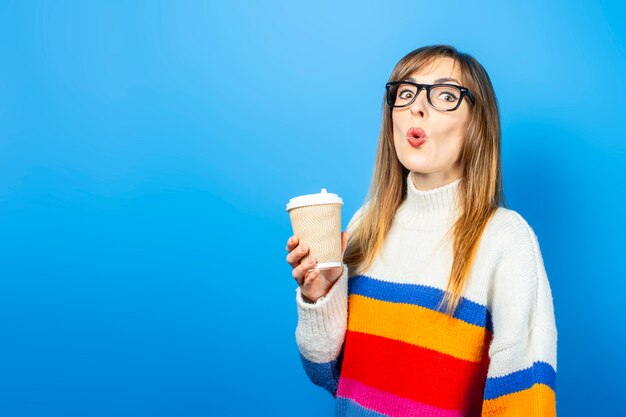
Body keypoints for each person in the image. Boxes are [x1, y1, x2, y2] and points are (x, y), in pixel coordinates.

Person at [285, 44, 557, 417]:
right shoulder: (366, 223)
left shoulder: (506, 241)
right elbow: (329, 376)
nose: (417, 107)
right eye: (406, 92)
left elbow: (526, 405)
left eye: (445, 95)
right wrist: (320, 297)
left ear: (477, 124)